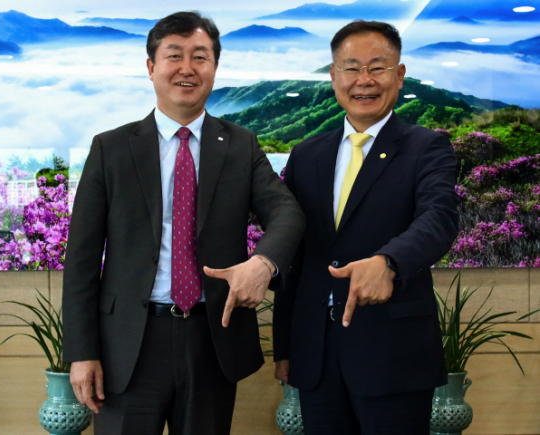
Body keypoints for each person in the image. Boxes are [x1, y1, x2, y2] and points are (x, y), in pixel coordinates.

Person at [62, 11, 304, 435]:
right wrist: (82, 352)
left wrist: (262, 264)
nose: (187, 68)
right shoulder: (111, 149)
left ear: (215, 67)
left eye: (200, 57)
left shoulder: (240, 145)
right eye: (174, 55)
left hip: (212, 340)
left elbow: (287, 213)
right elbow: (81, 258)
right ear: (151, 67)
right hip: (128, 344)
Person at [273, 20, 460, 434]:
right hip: (317, 355)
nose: (364, 80)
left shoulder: (427, 147)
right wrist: (285, 345)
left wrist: (390, 261)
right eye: (351, 68)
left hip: (393, 354)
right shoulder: (306, 154)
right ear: (333, 75)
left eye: (378, 68)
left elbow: (439, 218)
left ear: (400, 74)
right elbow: (296, 254)